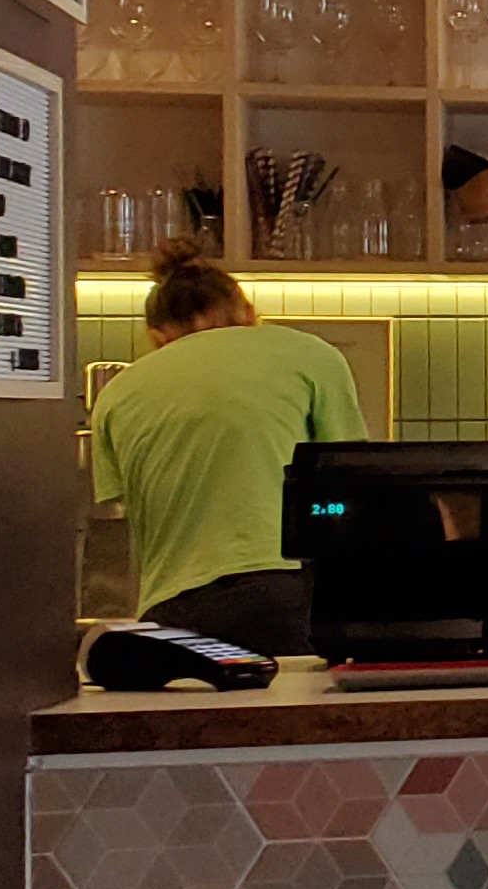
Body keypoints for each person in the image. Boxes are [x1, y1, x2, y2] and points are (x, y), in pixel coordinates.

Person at [88, 237, 366, 654]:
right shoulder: (309, 354)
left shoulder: (116, 393)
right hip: (282, 587)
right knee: (299, 697)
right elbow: (349, 476)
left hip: (172, 608)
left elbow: (126, 505)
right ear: (248, 313)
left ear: (158, 336)